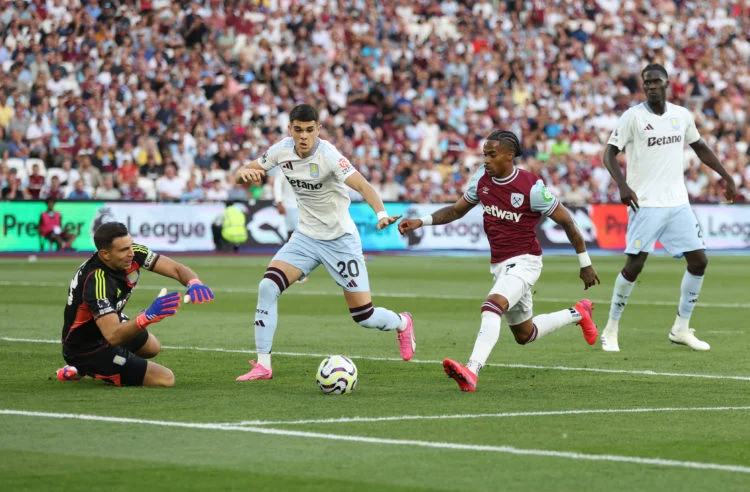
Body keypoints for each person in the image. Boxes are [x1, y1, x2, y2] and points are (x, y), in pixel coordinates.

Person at [398, 130, 600, 392]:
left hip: (526, 261)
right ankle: (578, 313)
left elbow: (567, 221)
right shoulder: (481, 180)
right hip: (501, 265)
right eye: (484, 154)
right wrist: (421, 221)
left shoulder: (531, 188)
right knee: (525, 334)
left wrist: (585, 263)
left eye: (492, 155)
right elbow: (456, 210)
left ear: (509, 155)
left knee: (491, 306)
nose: (486, 160)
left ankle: (472, 370)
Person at [234, 103, 415, 381]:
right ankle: (263, 365)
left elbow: (363, 185)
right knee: (268, 286)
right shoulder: (281, 150)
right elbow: (245, 171)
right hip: (305, 238)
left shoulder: (329, 155)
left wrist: (381, 214)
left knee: (364, 316)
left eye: (309, 130)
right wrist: (243, 174)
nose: (303, 136)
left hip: (340, 240)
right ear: (290, 129)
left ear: (318, 129)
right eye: (298, 130)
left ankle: (402, 322)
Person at [600, 64, 737, 353]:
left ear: (667, 84)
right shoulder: (633, 117)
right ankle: (611, 328)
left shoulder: (681, 115)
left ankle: (681, 328)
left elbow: (700, 147)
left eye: (656, 81)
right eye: (646, 82)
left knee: (699, 261)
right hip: (645, 203)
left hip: (678, 203)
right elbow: (609, 154)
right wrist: (622, 185)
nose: (651, 86)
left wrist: (725, 176)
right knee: (635, 265)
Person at [57, 221, 215, 387]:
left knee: (152, 347)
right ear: (105, 254)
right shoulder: (97, 281)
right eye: (124, 250)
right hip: (86, 347)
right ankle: (85, 366)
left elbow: (176, 268)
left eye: (130, 245)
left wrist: (194, 282)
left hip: (108, 324)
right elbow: (113, 335)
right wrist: (146, 317)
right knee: (165, 378)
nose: (131, 253)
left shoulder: (134, 253)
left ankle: (109, 364)